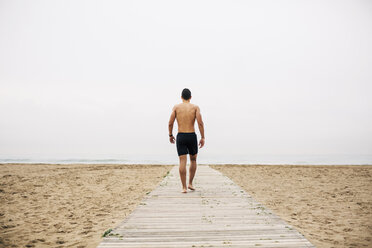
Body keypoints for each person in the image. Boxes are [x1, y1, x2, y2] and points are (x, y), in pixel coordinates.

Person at [168, 88, 205, 193]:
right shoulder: (195, 107)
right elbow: (200, 123)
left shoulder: (176, 107)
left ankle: (184, 187)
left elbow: (170, 123)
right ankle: (190, 183)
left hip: (181, 136)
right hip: (191, 136)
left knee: (182, 161)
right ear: (190, 97)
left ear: (181, 97)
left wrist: (170, 135)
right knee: (193, 160)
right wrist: (202, 137)